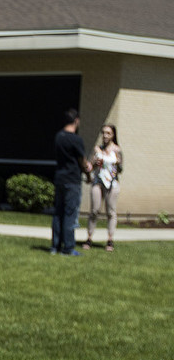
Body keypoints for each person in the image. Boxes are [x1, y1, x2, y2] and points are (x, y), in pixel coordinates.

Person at [51, 109, 91, 255]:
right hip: (72, 180)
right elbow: (82, 161)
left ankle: (55, 246)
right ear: (76, 120)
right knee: (70, 214)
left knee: (58, 213)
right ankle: (68, 248)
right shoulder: (76, 139)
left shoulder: (58, 137)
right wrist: (88, 173)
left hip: (60, 178)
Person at [85, 124, 122, 252]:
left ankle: (110, 240)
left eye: (108, 133)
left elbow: (121, 169)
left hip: (112, 184)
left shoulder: (117, 150)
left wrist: (117, 162)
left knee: (111, 212)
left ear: (113, 135)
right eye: (103, 133)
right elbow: (91, 166)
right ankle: (89, 238)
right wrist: (94, 161)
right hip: (98, 182)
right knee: (94, 210)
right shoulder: (98, 149)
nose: (105, 135)